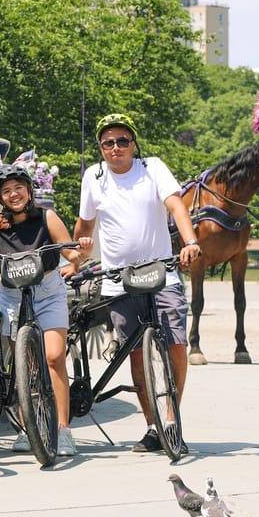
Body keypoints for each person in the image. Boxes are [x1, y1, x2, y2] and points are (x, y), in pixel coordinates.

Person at [72, 113, 201, 453]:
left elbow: (176, 207)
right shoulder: (94, 176)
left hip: (162, 273)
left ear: (134, 144)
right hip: (119, 280)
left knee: (175, 343)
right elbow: (84, 227)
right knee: (136, 353)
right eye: (108, 142)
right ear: (101, 148)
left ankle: (171, 420)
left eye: (123, 141)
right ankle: (152, 427)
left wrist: (189, 242)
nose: (116, 147)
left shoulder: (152, 168)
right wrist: (74, 259)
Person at [0, 165, 92, 457]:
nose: (13, 194)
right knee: (23, 365)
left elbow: (72, 254)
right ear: (0, 197)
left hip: (48, 291)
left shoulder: (46, 217)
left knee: (54, 357)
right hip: (13, 294)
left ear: (29, 190)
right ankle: (29, 426)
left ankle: (63, 429)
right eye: (6, 190)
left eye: (18, 188)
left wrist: (84, 253)